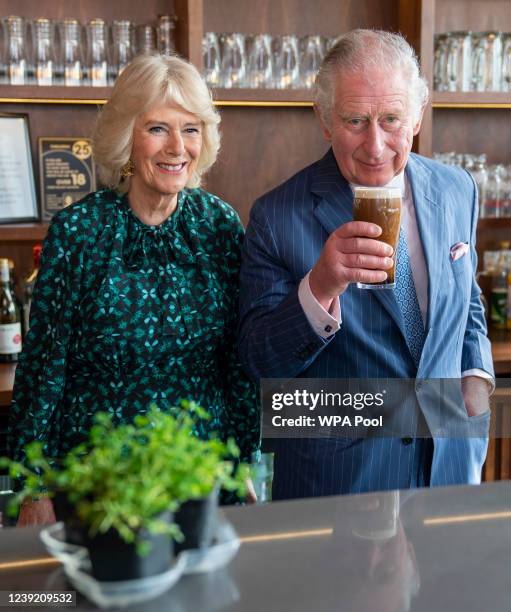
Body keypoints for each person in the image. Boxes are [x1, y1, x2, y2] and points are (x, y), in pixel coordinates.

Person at [238, 29, 494, 500]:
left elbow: (468, 298)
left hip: (451, 468)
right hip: (340, 486)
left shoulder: (458, 189)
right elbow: (257, 363)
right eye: (355, 120)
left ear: (418, 114)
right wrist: (321, 286)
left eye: (391, 119)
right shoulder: (276, 216)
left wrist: (477, 375)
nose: (375, 146)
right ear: (324, 120)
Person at [9, 54, 260, 525]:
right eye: (158, 129)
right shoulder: (79, 232)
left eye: (191, 128)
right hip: (101, 483)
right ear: (127, 137)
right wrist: (33, 486)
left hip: (198, 475)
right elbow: (43, 369)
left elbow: (235, 359)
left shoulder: (219, 225)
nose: (177, 147)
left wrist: (242, 458)